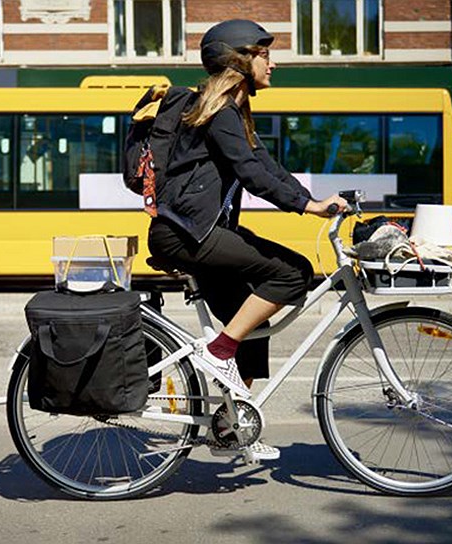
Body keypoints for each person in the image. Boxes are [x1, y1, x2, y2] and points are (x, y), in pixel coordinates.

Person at [146, 19, 347, 460]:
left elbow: (266, 166)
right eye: (264, 54)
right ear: (239, 59)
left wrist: (311, 199)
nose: (273, 63)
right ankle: (219, 351)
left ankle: (230, 427)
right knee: (293, 273)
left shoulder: (231, 113)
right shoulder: (220, 113)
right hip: (186, 235)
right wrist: (308, 208)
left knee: (251, 327)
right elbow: (252, 176)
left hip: (197, 234)